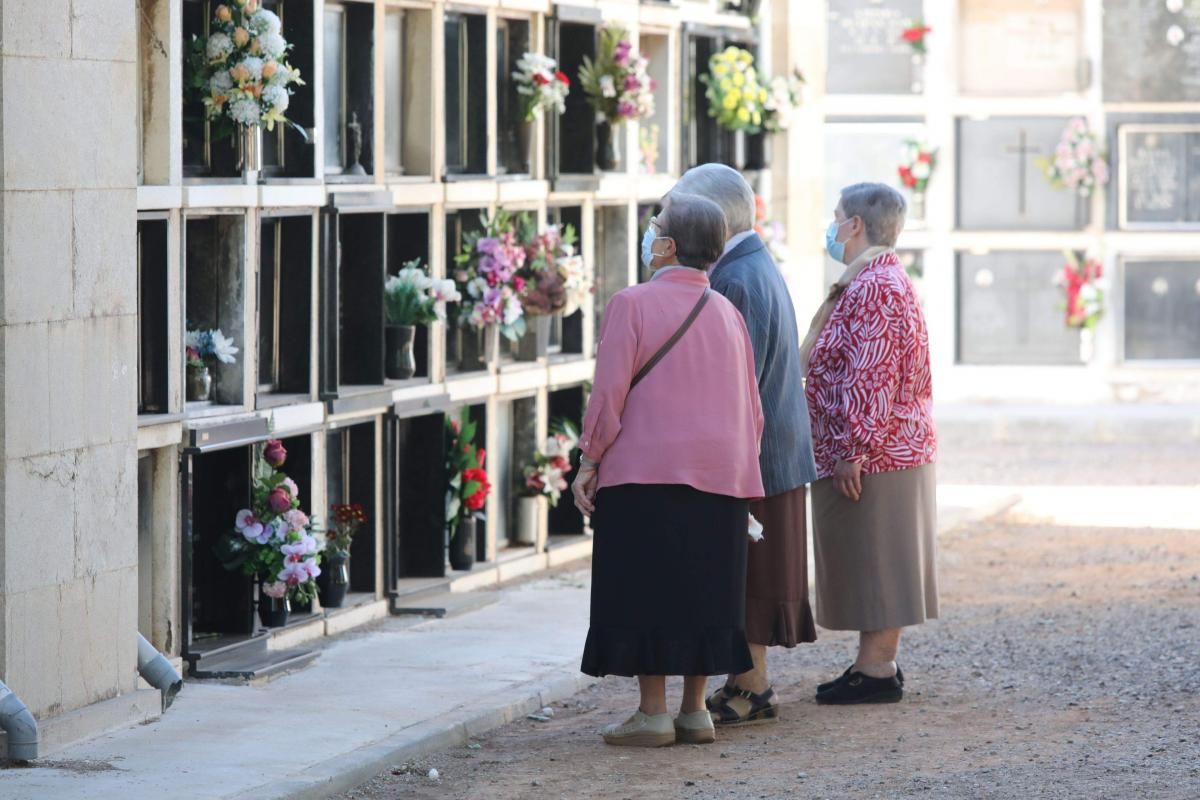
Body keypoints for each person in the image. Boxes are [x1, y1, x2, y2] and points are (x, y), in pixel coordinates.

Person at [573, 193, 765, 747]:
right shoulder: (728, 313)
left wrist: (589, 460)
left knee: (645, 587)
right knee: (707, 589)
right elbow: (751, 409)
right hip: (721, 478)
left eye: (654, 226)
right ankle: (695, 710)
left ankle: (652, 712)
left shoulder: (631, 304)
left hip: (645, 476)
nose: (647, 234)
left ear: (668, 246)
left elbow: (609, 393)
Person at [673, 164, 819, 726]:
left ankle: (753, 686)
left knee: (751, 574)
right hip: (772, 450)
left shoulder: (734, 278)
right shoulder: (750, 262)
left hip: (760, 457)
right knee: (749, 572)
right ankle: (745, 678)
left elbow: (739, 381)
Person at [800, 182, 938, 705]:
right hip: (886, 448)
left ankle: (877, 669)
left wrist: (853, 449)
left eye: (837, 216)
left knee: (879, 557)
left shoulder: (874, 285)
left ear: (855, 225)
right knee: (873, 557)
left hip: (878, 454)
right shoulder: (874, 279)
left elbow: (872, 372)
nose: (832, 226)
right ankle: (873, 664)